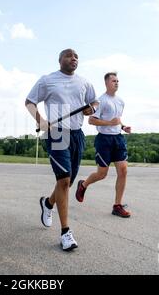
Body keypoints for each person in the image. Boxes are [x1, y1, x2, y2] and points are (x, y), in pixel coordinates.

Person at [25, 49, 98, 251]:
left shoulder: (84, 82)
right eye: (68, 55)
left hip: (77, 134)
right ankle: (66, 233)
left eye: (76, 56)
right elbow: (29, 102)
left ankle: (48, 203)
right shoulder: (48, 80)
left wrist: (90, 109)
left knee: (67, 182)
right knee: (64, 180)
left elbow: (95, 102)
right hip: (57, 133)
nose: (73, 58)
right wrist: (42, 121)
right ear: (60, 60)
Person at [75, 72, 132, 218]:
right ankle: (83, 185)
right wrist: (109, 123)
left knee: (123, 171)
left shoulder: (120, 101)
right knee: (102, 174)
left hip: (118, 139)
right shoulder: (101, 101)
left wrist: (123, 127)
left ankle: (117, 206)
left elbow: (116, 120)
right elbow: (91, 120)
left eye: (118, 80)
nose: (117, 83)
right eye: (114, 81)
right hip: (104, 140)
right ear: (107, 83)